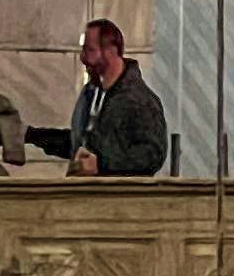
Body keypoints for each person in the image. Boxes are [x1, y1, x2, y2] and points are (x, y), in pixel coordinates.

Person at [27, 18, 168, 178]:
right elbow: (80, 143)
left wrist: (102, 164)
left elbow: (152, 155)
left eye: (89, 50)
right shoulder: (92, 94)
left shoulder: (141, 101)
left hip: (114, 200)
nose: (83, 58)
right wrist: (31, 135)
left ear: (110, 52)